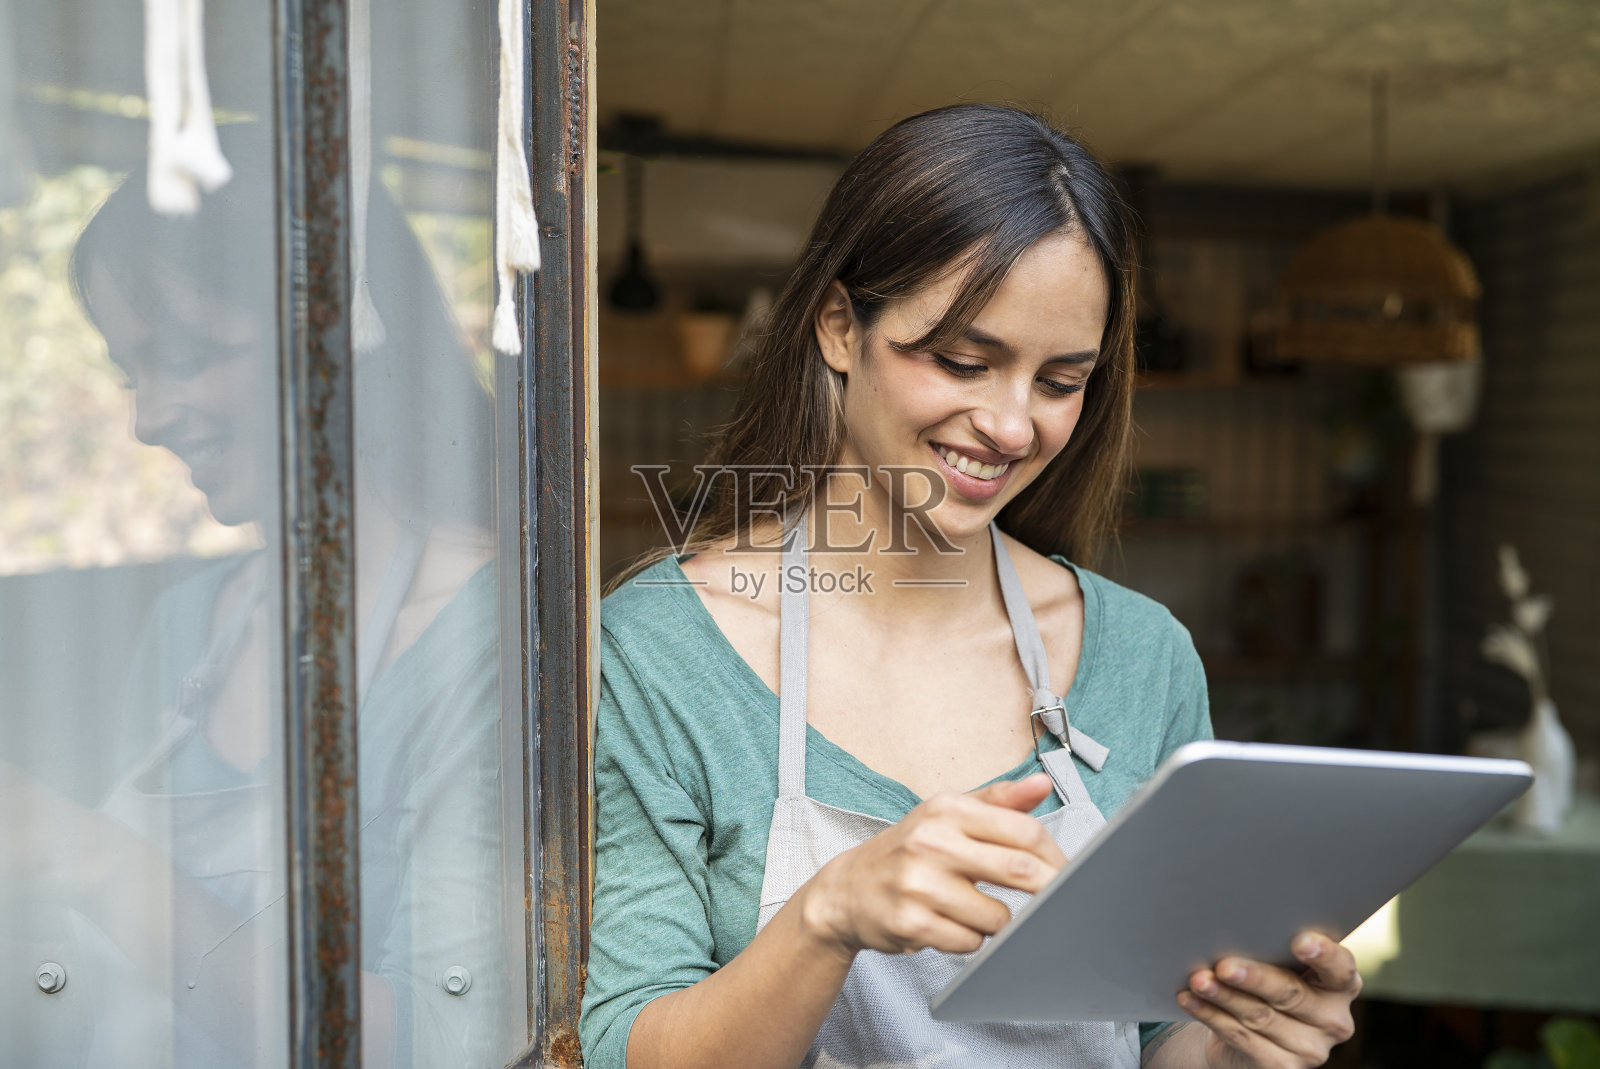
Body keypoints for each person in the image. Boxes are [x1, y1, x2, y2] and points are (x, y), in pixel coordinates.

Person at [579, 104, 1361, 1069]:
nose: (1011, 424)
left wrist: (1244, 1042)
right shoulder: (661, 651)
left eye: (1061, 380)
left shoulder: (1144, 656)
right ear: (838, 325)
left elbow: (1160, 1035)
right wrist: (827, 917)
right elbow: (623, 1046)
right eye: (962, 360)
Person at [0, 135, 514, 1068]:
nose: (146, 417)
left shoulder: (490, 640)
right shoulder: (191, 627)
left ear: (342, 340)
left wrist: (98, 863)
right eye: (128, 371)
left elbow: (449, 1041)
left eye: (189, 357)